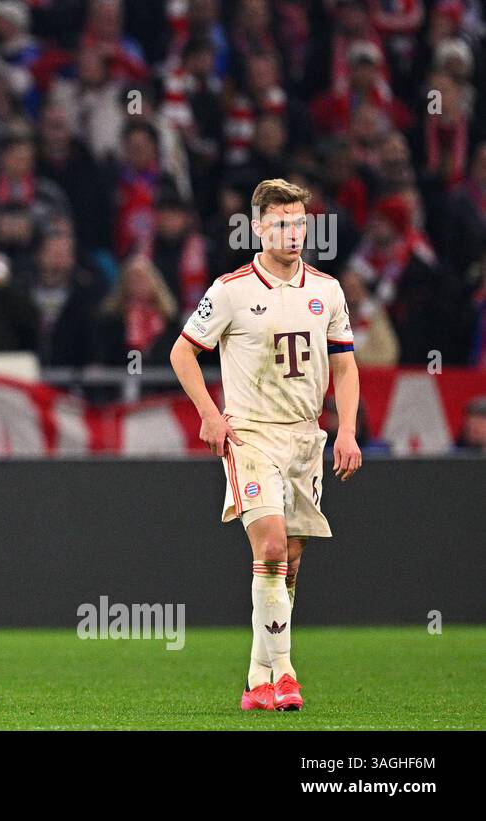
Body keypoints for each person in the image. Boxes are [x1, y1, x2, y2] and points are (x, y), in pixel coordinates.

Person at [169, 178, 362, 712]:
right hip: (250, 433)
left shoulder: (327, 290)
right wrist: (210, 415)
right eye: (281, 224)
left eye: (299, 223)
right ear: (258, 228)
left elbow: (346, 366)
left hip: (305, 436)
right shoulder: (230, 290)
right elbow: (182, 353)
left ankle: (258, 679)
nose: (293, 233)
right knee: (272, 547)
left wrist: (346, 430)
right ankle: (287, 674)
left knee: (290, 560)